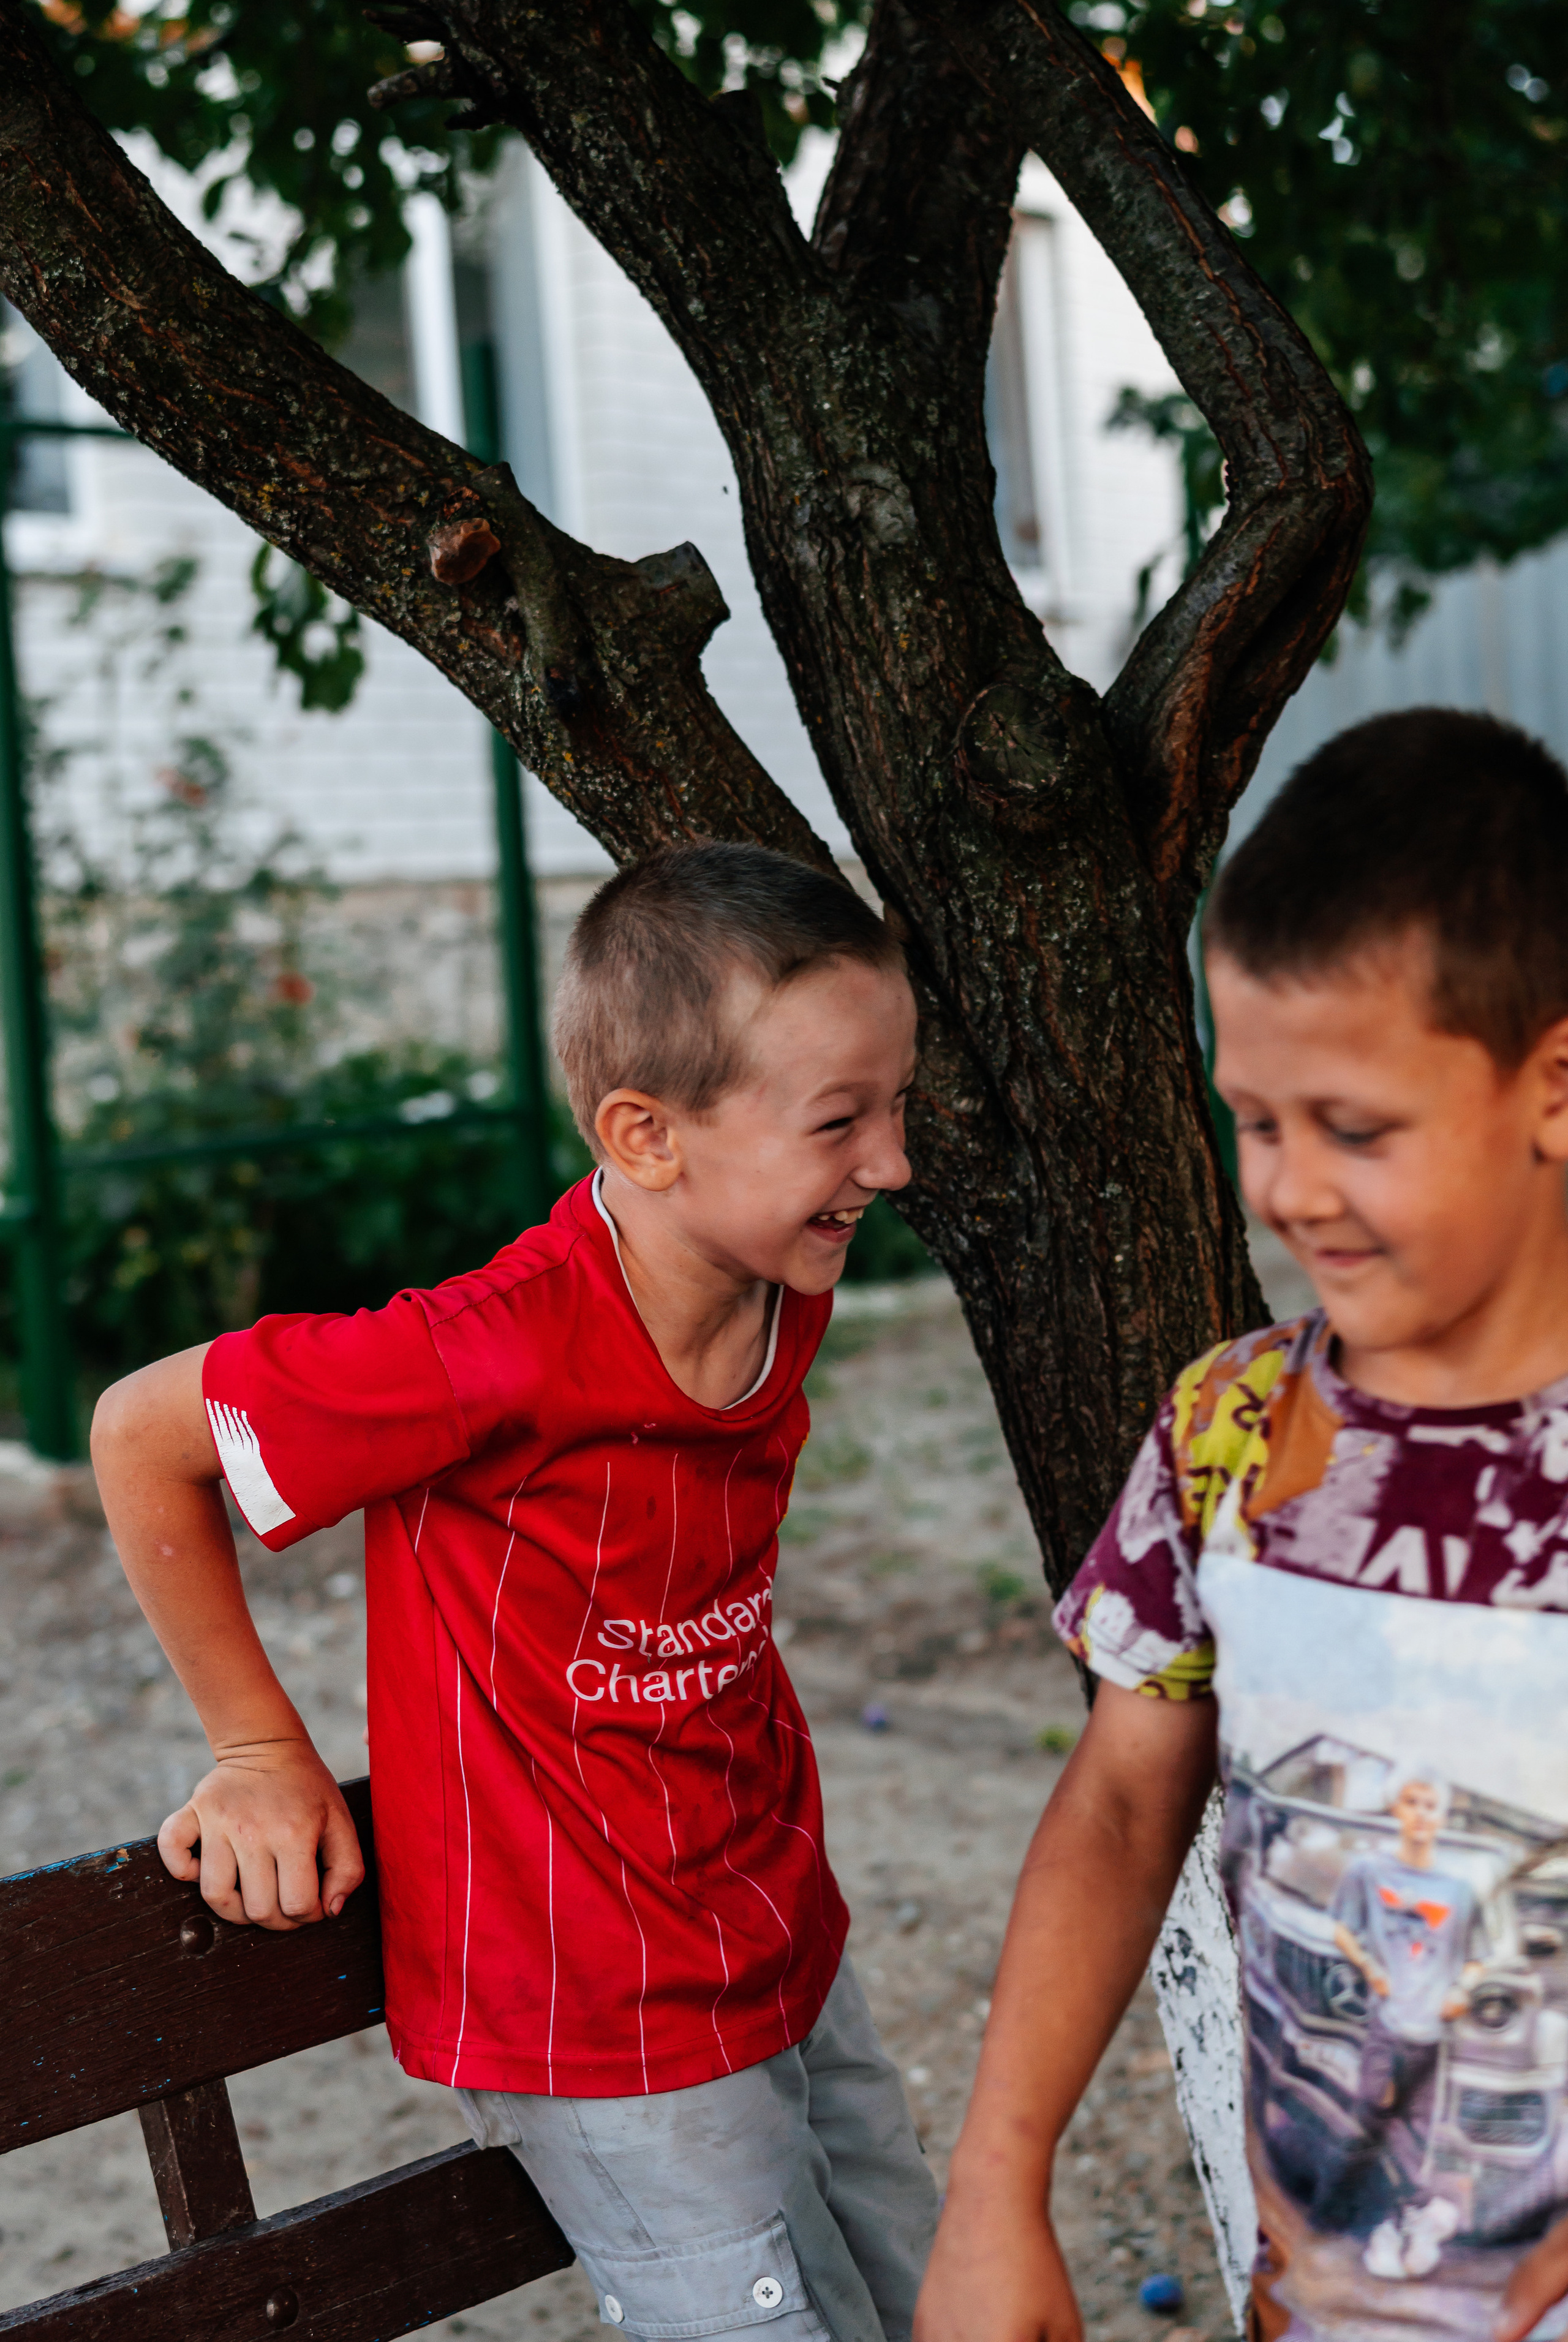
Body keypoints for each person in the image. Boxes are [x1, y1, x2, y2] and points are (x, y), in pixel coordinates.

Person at [91, 841, 938, 2342]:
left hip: (777, 1929)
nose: (890, 1162)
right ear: (646, 1135)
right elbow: (144, 1434)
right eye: (838, 1122)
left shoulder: (767, 1284)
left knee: (937, 2295)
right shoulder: (483, 1348)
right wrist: (260, 1752)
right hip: (599, 2011)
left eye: (893, 1107)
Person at [914, 710, 1568, 2342]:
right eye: (1258, 1121)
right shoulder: (1229, 1432)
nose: (1289, 1189)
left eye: (1357, 1128)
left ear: (1553, 1085)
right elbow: (1127, 1811)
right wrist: (999, 2185)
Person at [1323, 1765, 1484, 2279]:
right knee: (1373, 2116)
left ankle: (1405, 2219)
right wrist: (1370, 1967)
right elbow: (1342, 1928)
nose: (1421, 1814)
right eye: (1411, 1802)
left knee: (1420, 2128)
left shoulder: (1459, 1887)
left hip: (1433, 2034)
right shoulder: (1369, 1873)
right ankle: (1381, 2217)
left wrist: (1462, 1988)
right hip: (1386, 2024)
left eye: (1430, 1805)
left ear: (1442, 1815)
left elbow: (1477, 1955)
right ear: (1396, 1808)